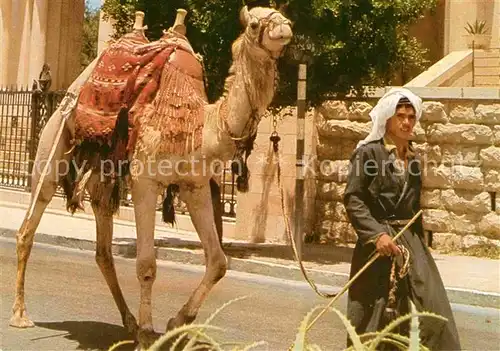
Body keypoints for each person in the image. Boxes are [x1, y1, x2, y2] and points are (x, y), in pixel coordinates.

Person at [343, 88, 461, 350]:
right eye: (400, 116)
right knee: (374, 314)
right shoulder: (368, 154)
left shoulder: (415, 160)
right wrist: (376, 235)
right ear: (387, 119)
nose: (407, 122)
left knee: (431, 308)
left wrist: (420, 248)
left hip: (411, 244)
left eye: (411, 116)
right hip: (378, 244)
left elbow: (413, 207)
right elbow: (354, 199)